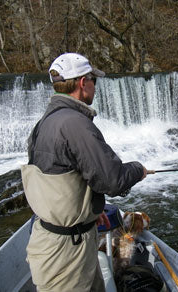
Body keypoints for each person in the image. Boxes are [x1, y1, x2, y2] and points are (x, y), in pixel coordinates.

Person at [21, 53, 148, 292]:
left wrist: (88, 211)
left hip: (59, 237)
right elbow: (113, 180)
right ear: (82, 83)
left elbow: (55, 179)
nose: (94, 86)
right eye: (93, 81)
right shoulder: (76, 124)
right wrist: (137, 170)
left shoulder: (45, 123)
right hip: (67, 251)